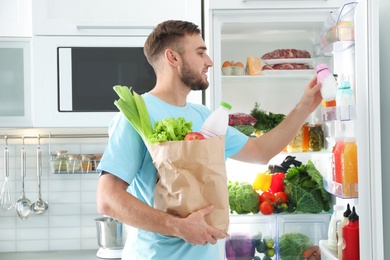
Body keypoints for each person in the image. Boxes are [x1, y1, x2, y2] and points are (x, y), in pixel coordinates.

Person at [96, 20, 322, 260]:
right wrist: (178, 226)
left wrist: (304, 107)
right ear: (173, 57)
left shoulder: (204, 117)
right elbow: (108, 199)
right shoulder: (137, 115)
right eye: (200, 52)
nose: (210, 61)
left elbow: (259, 152)